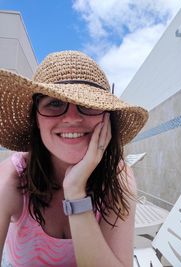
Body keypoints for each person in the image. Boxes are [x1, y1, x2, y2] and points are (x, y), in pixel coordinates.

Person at [0, 50, 148, 267]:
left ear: (107, 118)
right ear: (36, 119)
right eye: (54, 103)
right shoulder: (11, 179)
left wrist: (76, 192)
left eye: (87, 104)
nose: (71, 118)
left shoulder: (118, 177)